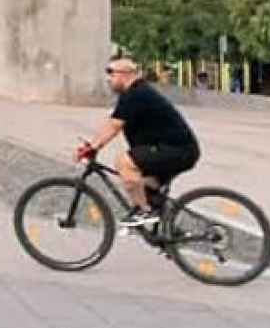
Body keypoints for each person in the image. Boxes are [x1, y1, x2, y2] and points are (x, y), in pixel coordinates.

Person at [76, 56, 201, 228]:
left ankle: (144, 211)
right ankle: (164, 231)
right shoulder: (134, 94)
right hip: (171, 150)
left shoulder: (137, 94)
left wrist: (92, 147)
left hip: (177, 150)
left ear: (125, 74)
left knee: (124, 162)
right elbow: (112, 122)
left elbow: (114, 126)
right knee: (143, 183)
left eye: (111, 73)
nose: (108, 79)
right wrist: (93, 145)